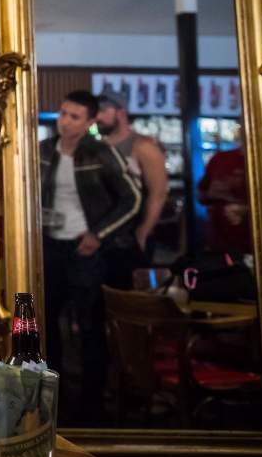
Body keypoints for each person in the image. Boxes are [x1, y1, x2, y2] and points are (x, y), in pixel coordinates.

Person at [40, 90, 140, 424]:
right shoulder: (42, 151)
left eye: (74, 116)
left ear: (90, 122)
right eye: (63, 113)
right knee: (46, 325)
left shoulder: (100, 153)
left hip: (84, 249)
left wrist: (99, 234)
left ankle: (92, 406)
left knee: (90, 327)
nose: (65, 121)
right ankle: (53, 401)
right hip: (50, 246)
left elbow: (133, 199)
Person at [96, 87, 169, 288]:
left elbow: (159, 193)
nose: (98, 117)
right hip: (102, 238)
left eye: (103, 111)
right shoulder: (99, 148)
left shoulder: (143, 146)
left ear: (120, 112)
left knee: (130, 299)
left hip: (130, 238)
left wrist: (144, 232)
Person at [199, 136, 251, 256]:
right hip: (218, 242)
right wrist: (211, 194)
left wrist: (246, 210)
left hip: (256, 243)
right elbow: (201, 195)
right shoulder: (220, 158)